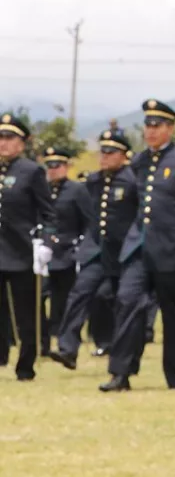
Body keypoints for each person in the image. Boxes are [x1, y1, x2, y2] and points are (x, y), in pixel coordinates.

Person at [100, 100, 175, 392]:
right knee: (127, 302)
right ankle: (120, 372)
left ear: (170, 129)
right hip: (139, 247)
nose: (150, 132)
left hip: (171, 249)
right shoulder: (139, 162)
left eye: (157, 126)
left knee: (173, 312)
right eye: (147, 126)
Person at [52, 129, 136, 369]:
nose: (105, 156)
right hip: (96, 249)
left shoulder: (131, 181)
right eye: (103, 151)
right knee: (79, 293)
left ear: (124, 155)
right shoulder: (93, 181)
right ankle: (68, 348)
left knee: (119, 300)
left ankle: (123, 352)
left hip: (123, 251)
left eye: (111, 152)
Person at [0, 113, 54, 381]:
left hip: (22, 252)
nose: (3, 143)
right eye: (1, 137)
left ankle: (26, 364)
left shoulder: (31, 171)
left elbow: (47, 212)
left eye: (10, 138)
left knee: (26, 314)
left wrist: (44, 242)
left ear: (22, 143)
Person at [37, 147, 85, 358]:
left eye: (57, 166)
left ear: (66, 167)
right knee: (37, 297)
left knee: (63, 301)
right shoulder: (42, 189)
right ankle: (43, 342)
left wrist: (80, 246)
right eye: (50, 166)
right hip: (45, 253)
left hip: (67, 253)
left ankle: (63, 341)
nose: (53, 170)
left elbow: (87, 220)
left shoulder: (76, 190)